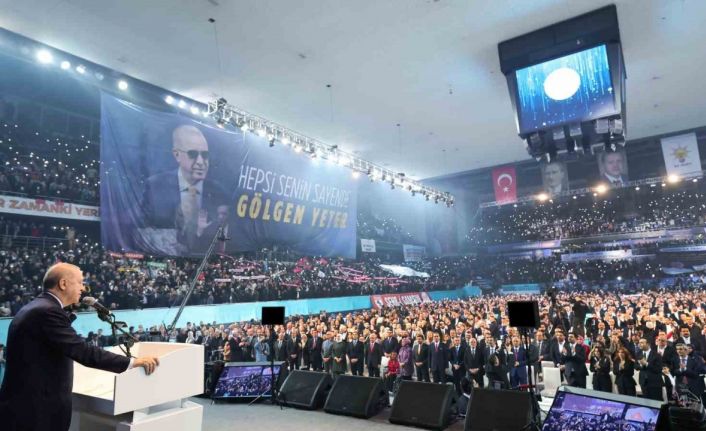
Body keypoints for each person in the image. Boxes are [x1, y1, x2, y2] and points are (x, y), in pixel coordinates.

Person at [0, 263, 159, 431]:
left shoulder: (39, 307)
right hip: (34, 414)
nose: (83, 288)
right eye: (80, 282)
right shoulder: (47, 312)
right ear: (63, 284)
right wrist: (132, 362)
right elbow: (82, 351)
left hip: (27, 409)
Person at [142, 125, 227, 253]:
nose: (200, 162)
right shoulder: (155, 186)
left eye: (205, 155)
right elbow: (143, 228)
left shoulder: (220, 192)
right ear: (177, 155)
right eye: (193, 154)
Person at [636, 337, 664, 401]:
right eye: (639, 343)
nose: (639, 344)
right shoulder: (638, 353)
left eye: (642, 343)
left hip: (655, 383)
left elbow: (658, 369)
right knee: (646, 401)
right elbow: (636, 366)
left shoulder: (656, 355)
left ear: (648, 344)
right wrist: (641, 365)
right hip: (643, 382)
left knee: (656, 401)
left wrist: (647, 364)